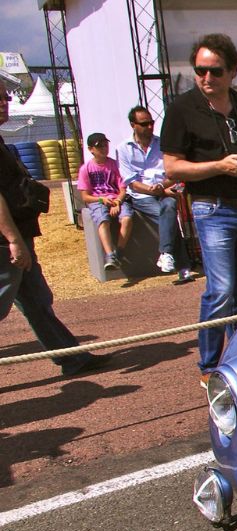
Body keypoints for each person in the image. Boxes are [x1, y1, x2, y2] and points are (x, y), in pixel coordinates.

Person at [162, 33, 237, 385]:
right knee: (220, 290)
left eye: (215, 71)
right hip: (212, 210)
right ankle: (209, 366)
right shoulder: (182, 109)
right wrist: (220, 167)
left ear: (232, 72)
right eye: (200, 70)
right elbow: (173, 168)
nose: (206, 78)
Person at [0, 89, 110, 377]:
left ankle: (72, 358)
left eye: (5, 98)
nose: (4, 104)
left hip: (17, 237)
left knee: (37, 300)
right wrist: (13, 241)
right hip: (5, 242)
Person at [118, 105, 196, 283]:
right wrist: (153, 189)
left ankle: (167, 254)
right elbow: (132, 183)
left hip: (164, 190)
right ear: (133, 125)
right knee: (167, 216)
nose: (149, 127)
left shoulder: (162, 145)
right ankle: (180, 264)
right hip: (141, 196)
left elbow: (173, 173)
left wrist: (160, 187)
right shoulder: (123, 149)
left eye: (151, 123)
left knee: (168, 207)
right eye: (144, 124)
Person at [77, 133, 129, 273]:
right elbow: (85, 197)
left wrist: (118, 201)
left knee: (127, 217)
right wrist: (101, 200)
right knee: (103, 220)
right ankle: (109, 255)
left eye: (105, 145)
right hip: (97, 200)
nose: (104, 148)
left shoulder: (114, 165)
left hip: (116, 199)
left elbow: (122, 188)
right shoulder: (85, 169)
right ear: (90, 149)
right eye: (99, 146)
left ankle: (119, 252)